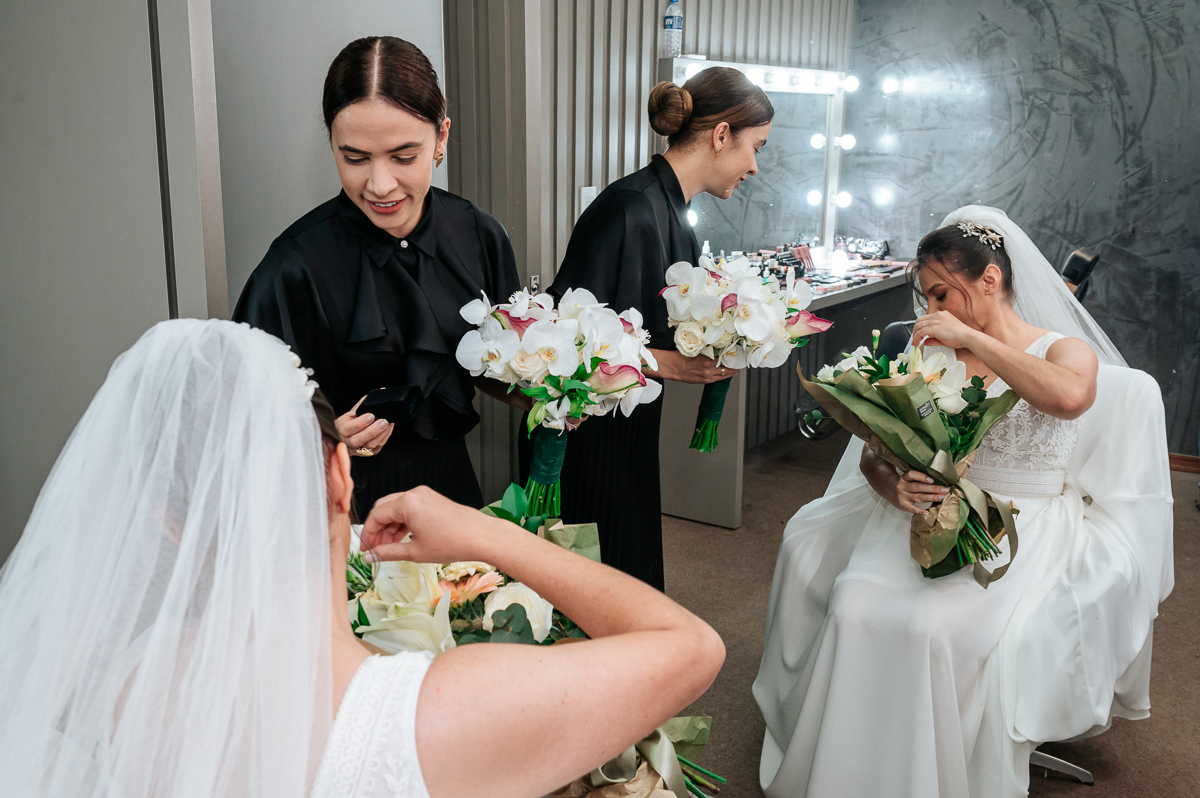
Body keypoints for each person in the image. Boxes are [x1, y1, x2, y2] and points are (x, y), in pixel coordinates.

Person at [0, 319, 725, 798]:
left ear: (167, 526)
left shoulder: (133, 679)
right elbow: (692, 647)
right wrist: (488, 532)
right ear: (342, 474)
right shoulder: (436, 715)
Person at [753, 206, 1173, 797]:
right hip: (930, 515)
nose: (931, 311)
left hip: (1019, 528)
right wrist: (892, 486)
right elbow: (878, 451)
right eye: (927, 298)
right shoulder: (929, 352)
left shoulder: (1062, 349)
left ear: (991, 280)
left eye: (942, 294)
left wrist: (972, 337)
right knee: (853, 606)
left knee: (931, 626)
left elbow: (1072, 398)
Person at [234, 36, 525, 515]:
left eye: (403, 157)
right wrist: (327, 442)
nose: (380, 185)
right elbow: (247, 422)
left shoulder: (478, 234)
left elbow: (496, 367)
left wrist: (553, 391)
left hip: (451, 495)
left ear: (442, 138)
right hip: (342, 506)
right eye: (354, 158)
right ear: (331, 143)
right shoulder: (293, 267)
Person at [526, 66, 774, 589]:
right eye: (756, 146)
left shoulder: (672, 209)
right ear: (721, 134)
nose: (754, 166)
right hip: (590, 436)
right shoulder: (630, 207)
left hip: (632, 427)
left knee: (629, 572)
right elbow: (572, 342)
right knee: (603, 579)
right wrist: (677, 364)